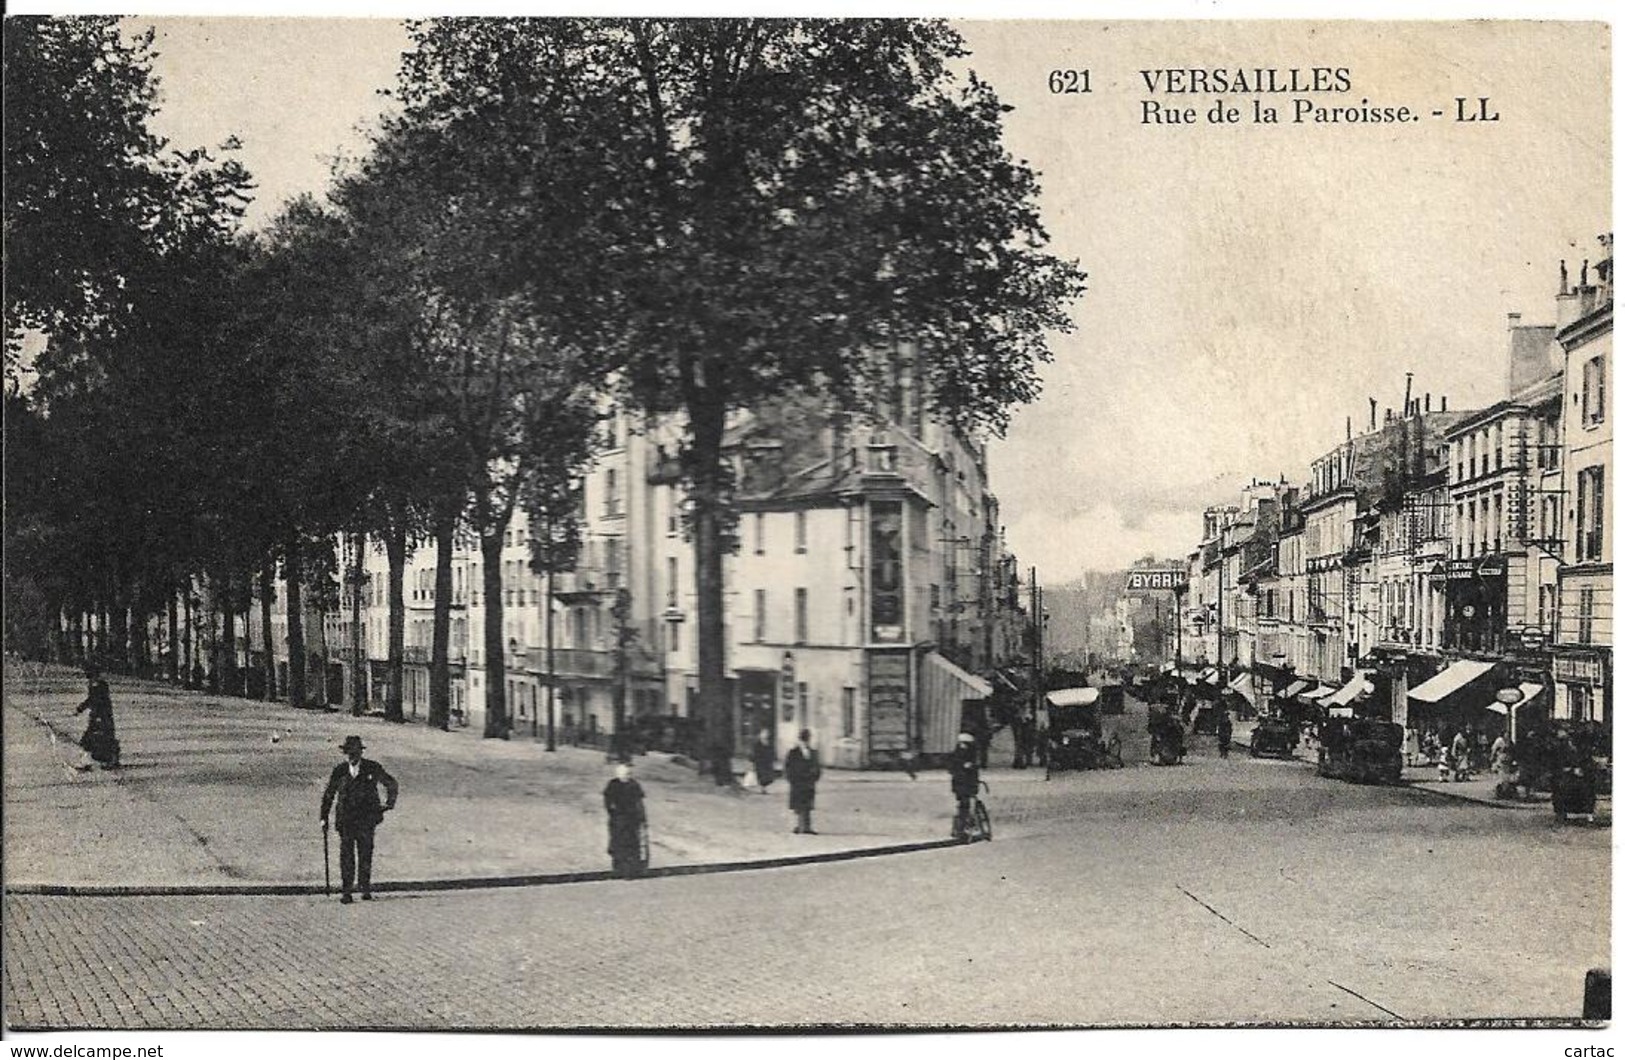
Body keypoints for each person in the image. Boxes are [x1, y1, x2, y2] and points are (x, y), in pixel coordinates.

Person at [318, 735, 399, 904]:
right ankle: (346, 891)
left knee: (365, 854)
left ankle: (365, 887)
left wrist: (389, 804)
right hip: (346, 820)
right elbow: (329, 794)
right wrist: (323, 817)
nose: (351, 756)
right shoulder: (340, 770)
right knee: (346, 856)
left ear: (360, 753)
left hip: (366, 819)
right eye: (348, 753)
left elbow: (391, 784)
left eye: (354, 752)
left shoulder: (372, 768)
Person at [603, 761, 648, 878]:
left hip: (632, 819)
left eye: (629, 773)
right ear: (618, 774)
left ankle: (631, 871)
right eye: (624, 774)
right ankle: (618, 870)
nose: (627, 776)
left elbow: (639, 802)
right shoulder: (613, 785)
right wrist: (614, 812)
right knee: (617, 844)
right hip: (618, 819)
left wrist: (642, 817)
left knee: (632, 845)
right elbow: (608, 802)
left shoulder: (634, 785)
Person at [74, 663, 118, 770]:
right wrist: (80, 709)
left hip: (102, 715)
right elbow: (91, 699)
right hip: (99, 715)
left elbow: (95, 700)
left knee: (98, 738)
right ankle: (95, 760)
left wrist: (81, 709)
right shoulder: (96, 684)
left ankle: (107, 760)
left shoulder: (100, 685)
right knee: (93, 739)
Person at [783, 729, 821, 834]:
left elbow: (817, 767)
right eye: (804, 740)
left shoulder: (813, 752)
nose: (805, 742)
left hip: (809, 782)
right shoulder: (793, 752)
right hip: (798, 782)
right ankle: (800, 826)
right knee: (799, 806)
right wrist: (792, 779)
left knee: (807, 805)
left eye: (807, 740)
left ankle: (806, 827)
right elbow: (788, 767)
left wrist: (815, 777)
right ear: (800, 740)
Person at [950, 732, 981, 839]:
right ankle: (960, 829)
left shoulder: (959, 755)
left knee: (964, 805)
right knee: (964, 805)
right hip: (963, 784)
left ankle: (961, 827)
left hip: (965, 783)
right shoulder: (962, 757)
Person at [751, 728, 776, 794]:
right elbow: (755, 752)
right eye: (763, 733)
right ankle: (763, 788)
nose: (765, 735)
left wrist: (772, 757)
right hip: (760, 761)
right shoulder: (757, 743)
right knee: (762, 775)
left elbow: (771, 750)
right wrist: (754, 760)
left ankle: (764, 787)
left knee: (769, 776)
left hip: (767, 761)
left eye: (766, 733)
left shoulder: (769, 742)